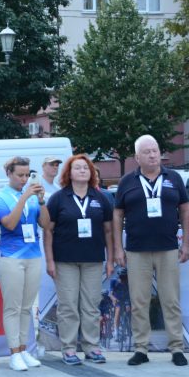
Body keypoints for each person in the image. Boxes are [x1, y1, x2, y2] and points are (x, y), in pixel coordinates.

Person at [113, 135, 189, 367]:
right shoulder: (127, 181)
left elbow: (185, 211)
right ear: (137, 157)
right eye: (146, 152)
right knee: (139, 301)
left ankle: (176, 347)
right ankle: (141, 348)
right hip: (137, 250)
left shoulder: (173, 178)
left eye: (155, 150)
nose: (152, 155)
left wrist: (186, 243)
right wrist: (118, 247)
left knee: (171, 300)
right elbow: (117, 215)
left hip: (167, 248)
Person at [45, 154, 113, 365]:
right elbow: (48, 231)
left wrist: (110, 260)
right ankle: (69, 348)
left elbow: (108, 231)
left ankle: (92, 347)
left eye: (86, 167)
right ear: (69, 173)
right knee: (68, 305)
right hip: (65, 260)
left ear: (91, 172)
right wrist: (50, 261)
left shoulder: (100, 198)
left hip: (93, 259)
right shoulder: (58, 198)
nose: (82, 170)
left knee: (91, 305)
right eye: (78, 168)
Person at [0, 156, 50, 371]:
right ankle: (14, 353)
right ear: (9, 174)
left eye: (27, 175)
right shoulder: (1, 197)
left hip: (33, 255)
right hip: (11, 257)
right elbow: (9, 223)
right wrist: (24, 198)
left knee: (26, 307)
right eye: (20, 175)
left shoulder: (33, 197)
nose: (24, 179)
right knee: (13, 307)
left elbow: (46, 224)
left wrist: (41, 201)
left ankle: (24, 349)